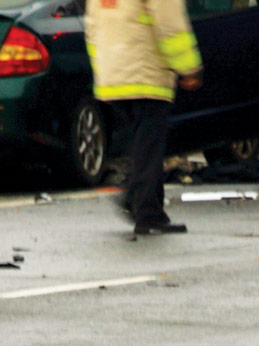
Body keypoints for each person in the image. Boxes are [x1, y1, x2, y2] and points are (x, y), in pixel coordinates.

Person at [85, 0, 201, 235]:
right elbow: (170, 26)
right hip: (146, 71)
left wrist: (102, 72)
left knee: (143, 143)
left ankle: (145, 205)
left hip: (113, 74)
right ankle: (144, 208)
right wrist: (189, 68)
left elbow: (92, 28)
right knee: (148, 145)